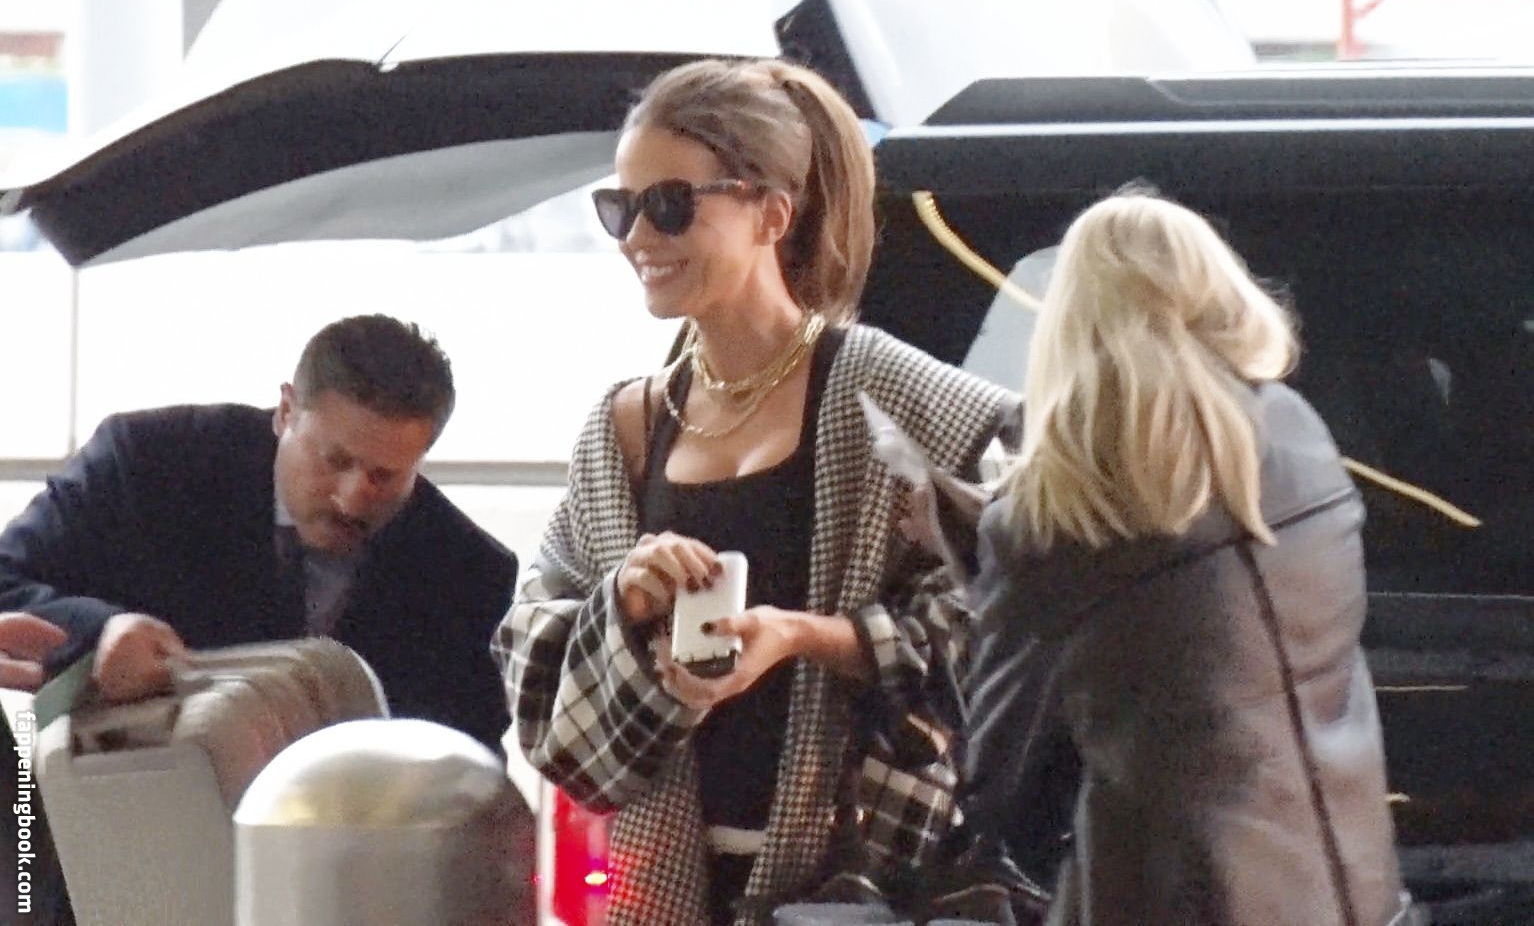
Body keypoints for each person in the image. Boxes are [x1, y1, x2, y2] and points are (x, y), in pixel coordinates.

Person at [492, 57, 1017, 926]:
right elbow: (531, 663)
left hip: (863, 893)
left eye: (670, 204)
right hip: (662, 890)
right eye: (619, 207)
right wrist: (625, 603)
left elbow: (1004, 632)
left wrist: (806, 637)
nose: (637, 236)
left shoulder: (898, 399)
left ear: (772, 213)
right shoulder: (627, 426)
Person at [965, 191, 1415, 924]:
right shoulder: (1298, 431)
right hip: (1355, 888)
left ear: (1070, 322)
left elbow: (1004, 789)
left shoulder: (1054, 520)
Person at [0, 313, 516, 748]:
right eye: (334, 459)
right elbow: (7, 578)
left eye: (385, 477)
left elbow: (465, 766)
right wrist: (99, 632)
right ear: (286, 411)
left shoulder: (468, 574)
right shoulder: (147, 465)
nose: (351, 497)